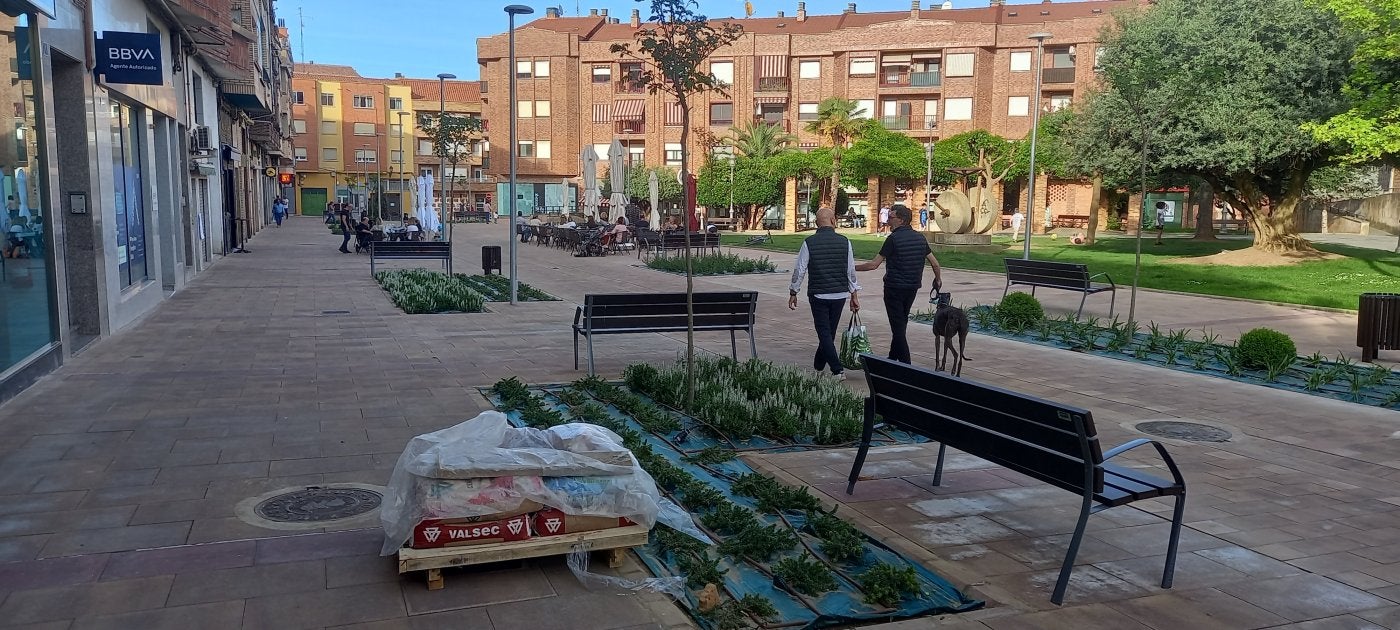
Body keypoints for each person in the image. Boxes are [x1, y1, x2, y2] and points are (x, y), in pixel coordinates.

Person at [856, 204, 942, 364]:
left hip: (894, 289)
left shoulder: (893, 239)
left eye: (891, 217)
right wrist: (938, 280)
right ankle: (892, 357)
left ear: (901, 220)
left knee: (898, 328)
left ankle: (905, 365)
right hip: (912, 288)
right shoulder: (920, 238)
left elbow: (873, 265)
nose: (888, 221)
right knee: (901, 323)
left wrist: (850, 269)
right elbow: (935, 264)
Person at [788, 208, 860, 380]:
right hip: (839, 293)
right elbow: (850, 271)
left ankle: (837, 370)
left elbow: (800, 270)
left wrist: (793, 291)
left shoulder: (809, 242)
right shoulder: (845, 241)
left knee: (824, 332)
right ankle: (819, 364)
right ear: (834, 221)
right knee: (830, 331)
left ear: (815, 224)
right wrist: (854, 294)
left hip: (819, 294)